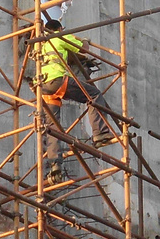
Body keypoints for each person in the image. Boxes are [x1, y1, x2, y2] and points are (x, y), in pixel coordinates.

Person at [35, 16, 114, 175]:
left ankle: (55, 164)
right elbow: (83, 50)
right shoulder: (60, 37)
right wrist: (86, 40)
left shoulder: (40, 46)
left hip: (43, 88)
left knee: (53, 127)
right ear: (59, 29)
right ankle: (100, 133)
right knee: (94, 94)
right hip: (58, 81)